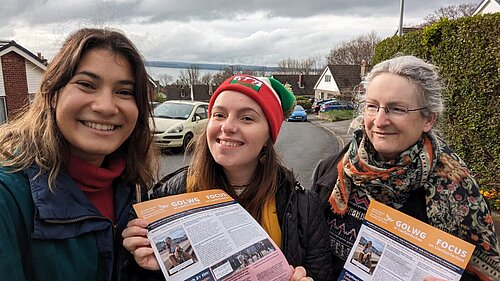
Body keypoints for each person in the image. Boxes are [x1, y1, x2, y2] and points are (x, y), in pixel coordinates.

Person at [123, 74, 333, 281]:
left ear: (268, 136)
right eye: (219, 115)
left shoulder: (303, 207)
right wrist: (146, 268)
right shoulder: (168, 194)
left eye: (247, 118)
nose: (227, 127)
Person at [311, 55, 500, 281]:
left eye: (397, 109)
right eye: (372, 106)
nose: (379, 121)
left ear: (428, 120)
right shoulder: (332, 170)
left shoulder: (457, 190)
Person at [0, 28, 158, 281]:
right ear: (53, 95)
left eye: (124, 92)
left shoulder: (134, 187)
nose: (106, 107)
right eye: (86, 85)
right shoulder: (8, 196)